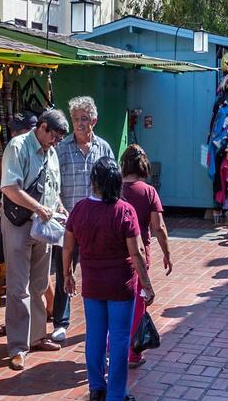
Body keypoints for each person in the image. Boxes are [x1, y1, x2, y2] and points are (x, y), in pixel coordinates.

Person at [63, 158, 155, 401]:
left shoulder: (80, 209)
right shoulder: (124, 211)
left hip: (92, 284)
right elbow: (136, 253)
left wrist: (67, 274)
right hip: (121, 285)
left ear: (93, 182)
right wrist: (147, 285)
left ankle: (96, 388)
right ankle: (116, 394)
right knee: (119, 339)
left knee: (94, 335)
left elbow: (68, 247)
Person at [0, 108, 68, 370]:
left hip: (44, 225)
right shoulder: (17, 147)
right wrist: (37, 208)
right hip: (20, 223)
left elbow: (52, 187)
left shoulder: (51, 151)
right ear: (42, 127)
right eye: (55, 136)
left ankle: (37, 335)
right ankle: (17, 346)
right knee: (18, 288)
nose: (56, 142)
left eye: (60, 138)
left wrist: (58, 206)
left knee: (40, 283)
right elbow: (9, 187)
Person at [52, 96, 115, 343]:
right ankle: (61, 322)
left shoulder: (104, 148)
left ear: (94, 121)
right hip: (68, 221)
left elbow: (112, 183)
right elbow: (53, 183)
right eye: (76, 119)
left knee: (95, 273)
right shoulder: (62, 148)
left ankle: (97, 322)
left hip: (96, 222)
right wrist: (58, 207)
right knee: (64, 270)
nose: (79, 123)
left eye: (84, 119)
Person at [119, 144, 171, 368]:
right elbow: (158, 227)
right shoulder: (148, 191)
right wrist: (167, 253)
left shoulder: (114, 190)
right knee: (138, 304)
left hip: (115, 255)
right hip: (139, 255)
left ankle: (113, 347)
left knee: (116, 303)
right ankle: (132, 352)